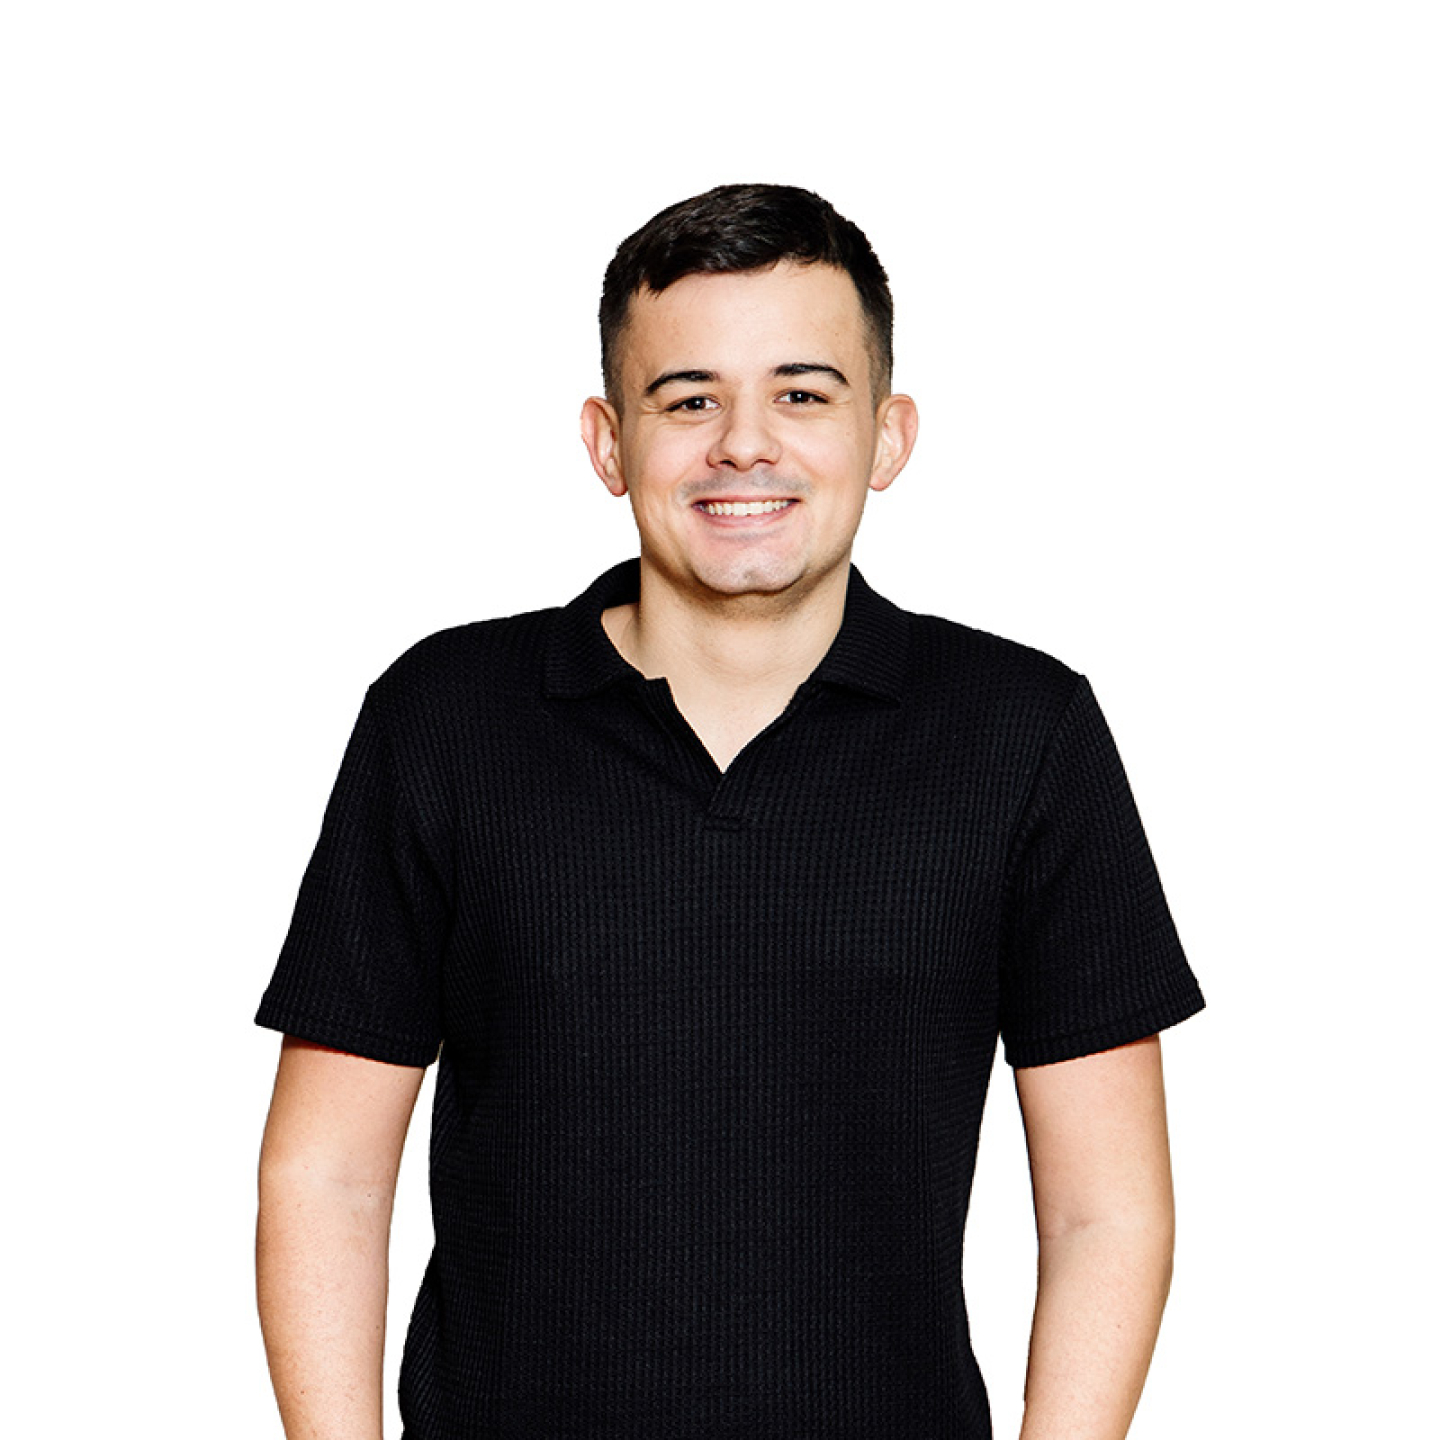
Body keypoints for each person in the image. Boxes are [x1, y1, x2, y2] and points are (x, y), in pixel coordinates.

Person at [255, 183, 1204, 1439]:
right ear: (607, 443)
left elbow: (1105, 1213)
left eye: (802, 395)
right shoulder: (444, 720)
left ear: (888, 437)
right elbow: (326, 1177)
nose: (744, 445)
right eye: (688, 398)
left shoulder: (1024, 734)